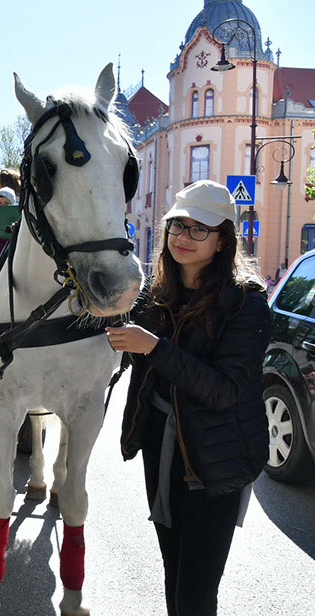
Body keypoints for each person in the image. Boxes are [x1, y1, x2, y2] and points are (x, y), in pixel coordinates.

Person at [108, 180, 272, 616]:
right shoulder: (155, 293)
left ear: (223, 240)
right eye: (177, 225)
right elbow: (120, 345)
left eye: (200, 228)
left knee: (196, 591)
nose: (183, 236)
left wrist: (154, 348)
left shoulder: (246, 303)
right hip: (161, 447)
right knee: (172, 569)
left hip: (216, 456)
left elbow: (226, 390)